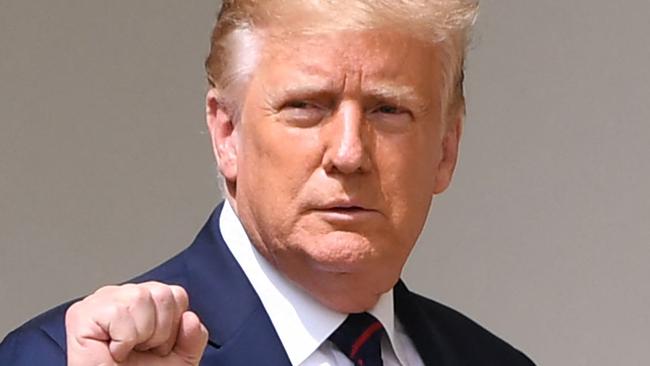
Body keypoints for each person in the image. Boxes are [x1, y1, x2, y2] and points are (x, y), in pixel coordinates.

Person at [0, 1, 536, 365]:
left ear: (446, 148)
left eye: (389, 110)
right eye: (306, 107)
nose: (349, 153)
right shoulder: (62, 357)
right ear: (227, 131)